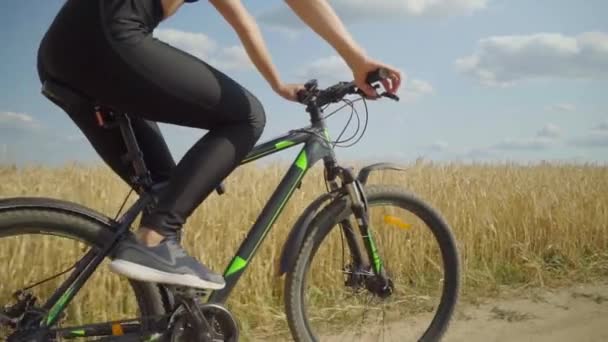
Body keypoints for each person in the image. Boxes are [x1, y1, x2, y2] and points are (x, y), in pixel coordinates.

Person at [37, 0, 402, 290]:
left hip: (62, 53)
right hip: (109, 37)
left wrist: (277, 83)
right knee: (246, 117)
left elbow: (245, 22)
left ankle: (166, 316)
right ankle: (155, 238)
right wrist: (358, 60)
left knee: (167, 189)